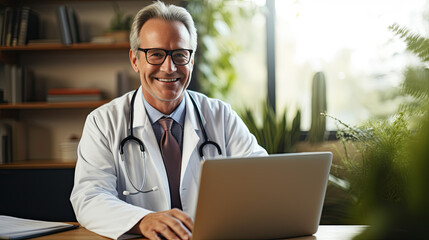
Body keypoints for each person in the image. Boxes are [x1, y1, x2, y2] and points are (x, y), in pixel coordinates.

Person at [70, 1, 267, 239]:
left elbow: (260, 180)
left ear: (191, 61)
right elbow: (89, 198)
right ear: (135, 60)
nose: (169, 67)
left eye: (180, 55)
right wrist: (143, 220)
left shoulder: (220, 116)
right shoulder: (103, 123)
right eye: (156, 55)